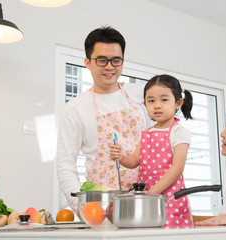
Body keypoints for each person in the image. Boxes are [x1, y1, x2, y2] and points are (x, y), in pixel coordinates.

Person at [56, 26, 152, 215]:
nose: (109, 67)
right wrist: (81, 207)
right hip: (102, 207)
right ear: (88, 62)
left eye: (116, 60)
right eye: (101, 60)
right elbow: (65, 164)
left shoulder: (143, 94)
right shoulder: (75, 108)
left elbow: (161, 139)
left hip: (146, 200)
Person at [110, 74, 194, 228]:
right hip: (148, 198)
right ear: (145, 104)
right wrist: (121, 157)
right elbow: (134, 161)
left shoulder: (179, 132)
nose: (157, 105)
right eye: (151, 100)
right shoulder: (146, 132)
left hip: (170, 197)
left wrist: (153, 193)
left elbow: (177, 168)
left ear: (178, 103)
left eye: (164, 99)